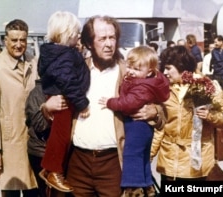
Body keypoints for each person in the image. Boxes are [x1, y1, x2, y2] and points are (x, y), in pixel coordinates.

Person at [39, 15, 164, 197]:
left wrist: (155, 112)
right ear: (89, 43)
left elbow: (162, 109)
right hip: (77, 163)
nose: (109, 44)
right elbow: (47, 105)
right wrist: (47, 107)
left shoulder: (128, 71)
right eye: (102, 38)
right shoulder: (75, 69)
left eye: (112, 37)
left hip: (113, 164)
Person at [151, 46, 223, 195]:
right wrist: (148, 156)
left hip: (198, 166)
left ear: (181, 67)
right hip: (169, 165)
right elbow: (160, 128)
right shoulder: (163, 90)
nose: (164, 72)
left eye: (168, 68)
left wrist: (210, 116)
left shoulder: (207, 86)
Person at [98, 45, 169, 196]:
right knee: (142, 156)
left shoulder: (142, 86)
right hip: (142, 127)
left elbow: (128, 104)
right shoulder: (145, 80)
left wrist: (110, 102)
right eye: (129, 67)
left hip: (137, 126)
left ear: (149, 71)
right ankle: (147, 185)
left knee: (132, 154)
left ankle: (133, 187)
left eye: (136, 69)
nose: (130, 71)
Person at [37, 11, 90, 192]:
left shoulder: (56, 52)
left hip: (63, 97)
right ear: (67, 33)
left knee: (59, 137)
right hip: (65, 99)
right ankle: (54, 171)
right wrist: (82, 102)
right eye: (76, 32)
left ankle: (49, 169)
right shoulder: (64, 54)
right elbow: (67, 80)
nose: (78, 35)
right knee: (60, 138)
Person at [0, 19, 38, 196]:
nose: (19, 45)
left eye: (23, 40)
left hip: (32, 143)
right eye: (14, 40)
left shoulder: (34, 63)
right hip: (9, 145)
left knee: (34, 191)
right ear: (5, 40)